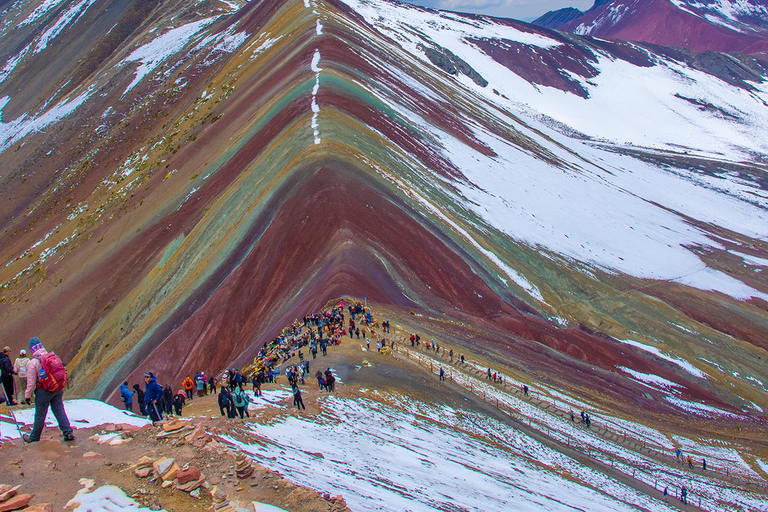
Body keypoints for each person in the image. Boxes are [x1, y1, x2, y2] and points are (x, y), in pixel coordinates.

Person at [23, 337, 75, 442]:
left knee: (40, 415)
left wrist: (27, 396)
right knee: (59, 410)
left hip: (43, 391)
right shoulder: (51, 355)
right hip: (57, 388)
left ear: (32, 349)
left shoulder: (33, 362)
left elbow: (31, 383)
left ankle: (34, 437)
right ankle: (68, 432)